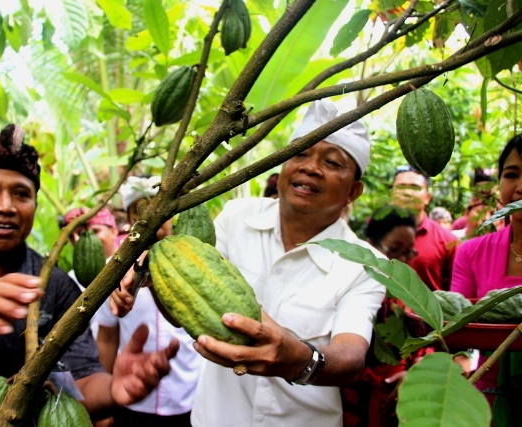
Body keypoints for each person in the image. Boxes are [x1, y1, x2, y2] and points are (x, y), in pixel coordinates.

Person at [0, 124, 179, 427]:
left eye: (21, 194)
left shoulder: (56, 285)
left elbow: (81, 384)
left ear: (34, 206)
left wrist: (114, 388)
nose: (6, 207)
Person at [112, 99, 385, 426]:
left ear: (353, 191)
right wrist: (159, 279)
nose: (310, 167)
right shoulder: (235, 218)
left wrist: (298, 359)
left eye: (331, 162)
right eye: (300, 153)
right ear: (283, 164)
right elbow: (189, 305)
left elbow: (351, 356)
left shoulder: (365, 265)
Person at [95, 176, 201, 426]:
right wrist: (106, 396)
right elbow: (107, 336)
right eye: (140, 211)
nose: (153, 220)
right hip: (129, 398)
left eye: (160, 210)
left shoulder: (193, 264)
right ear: (132, 220)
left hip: (186, 398)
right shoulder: (114, 268)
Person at [451, 133, 522, 419]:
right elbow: (456, 328)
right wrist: (457, 367)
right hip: (484, 405)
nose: (520, 187)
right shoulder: (471, 252)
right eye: (511, 174)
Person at [341, 204, 420, 427]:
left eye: (409, 251)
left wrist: (412, 375)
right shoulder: (347, 286)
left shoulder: (407, 296)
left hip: (395, 402)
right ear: (370, 247)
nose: (403, 260)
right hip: (349, 402)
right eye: (395, 250)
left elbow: (422, 345)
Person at [391, 166, 460, 291]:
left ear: (427, 197)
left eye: (415, 187)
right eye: (401, 187)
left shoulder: (448, 241)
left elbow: (456, 294)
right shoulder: (375, 232)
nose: (407, 193)